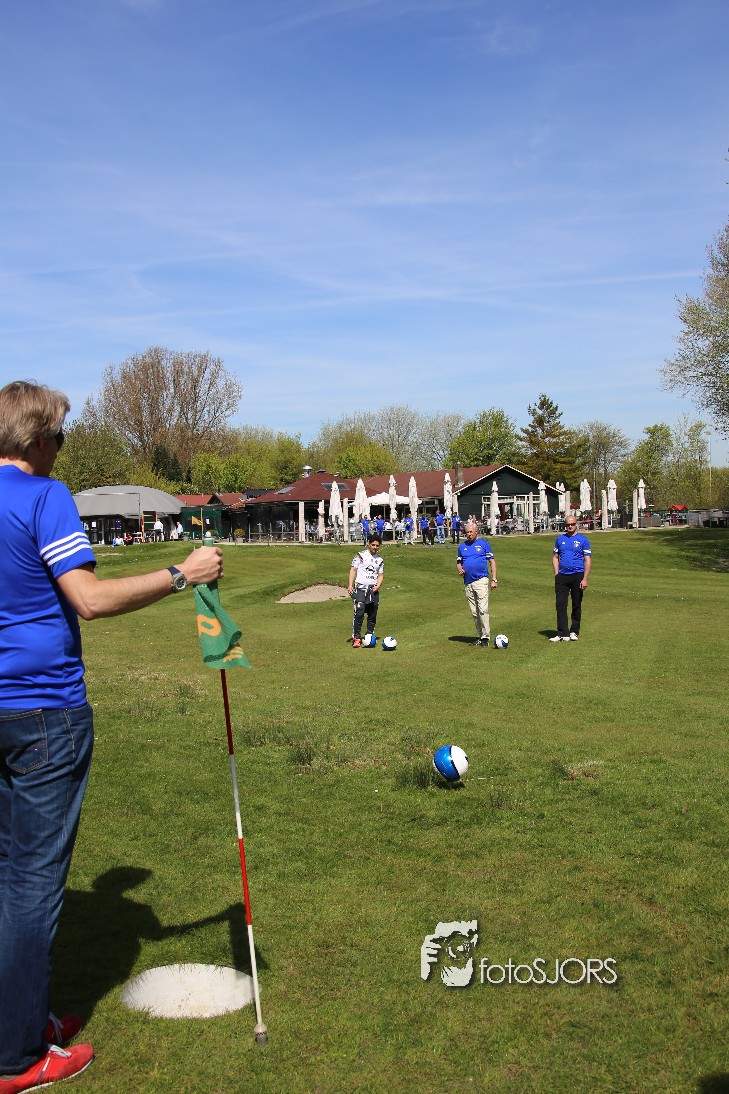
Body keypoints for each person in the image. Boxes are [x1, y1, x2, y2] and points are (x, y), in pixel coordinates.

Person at [0, 381, 224, 1092]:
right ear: (38, 439)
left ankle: (16, 1020)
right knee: (31, 888)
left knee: (6, 877)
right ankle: (16, 1056)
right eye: (60, 437)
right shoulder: (45, 496)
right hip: (44, 713)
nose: (60, 450)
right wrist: (182, 573)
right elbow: (89, 600)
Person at [456, 519, 498, 647]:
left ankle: (486, 637)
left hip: (481, 580)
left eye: (471, 532)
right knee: (474, 612)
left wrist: (494, 579)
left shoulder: (484, 544)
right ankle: (480, 636)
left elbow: (492, 562)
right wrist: (460, 569)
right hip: (468, 582)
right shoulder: (462, 546)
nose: (469, 534)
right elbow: (459, 562)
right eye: (467, 532)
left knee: (483, 609)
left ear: (476, 532)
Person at [549, 515, 591, 641]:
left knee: (576, 604)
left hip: (577, 575)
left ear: (576, 524)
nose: (570, 526)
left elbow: (587, 560)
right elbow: (555, 557)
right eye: (567, 524)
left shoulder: (583, 540)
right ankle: (562, 632)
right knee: (560, 605)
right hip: (562, 576)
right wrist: (557, 573)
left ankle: (574, 631)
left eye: (572, 524)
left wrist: (585, 578)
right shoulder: (560, 539)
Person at [347, 535, 384, 648]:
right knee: (359, 613)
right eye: (373, 545)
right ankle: (357, 638)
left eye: (377, 545)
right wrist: (350, 585)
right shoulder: (360, 555)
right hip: (361, 589)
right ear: (369, 544)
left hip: (373, 590)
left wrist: (378, 586)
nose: (375, 547)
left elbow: (380, 575)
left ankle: (369, 635)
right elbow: (353, 570)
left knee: (372, 614)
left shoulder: (380, 560)